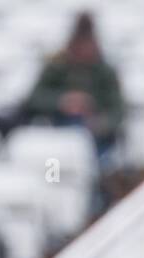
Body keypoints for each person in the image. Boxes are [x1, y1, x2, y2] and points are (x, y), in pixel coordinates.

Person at [21, 11, 125, 158]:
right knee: (54, 160)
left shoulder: (105, 72)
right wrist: (62, 101)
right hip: (58, 132)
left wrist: (100, 123)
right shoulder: (57, 67)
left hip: (96, 137)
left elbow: (118, 110)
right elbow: (33, 99)